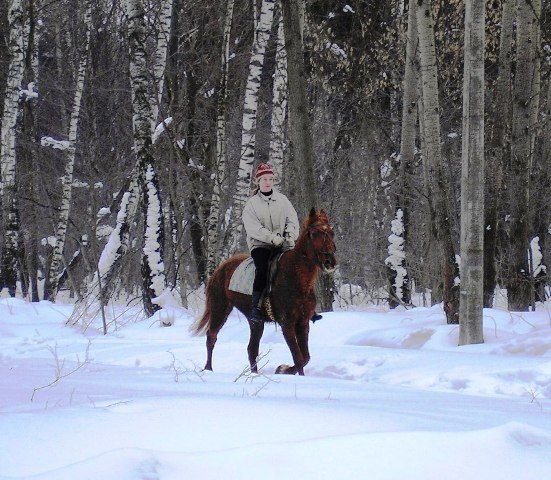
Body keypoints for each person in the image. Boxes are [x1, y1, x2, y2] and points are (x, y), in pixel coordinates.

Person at [242, 163, 299, 323]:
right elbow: (254, 228)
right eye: (264, 179)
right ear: (258, 182)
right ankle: (256, 306)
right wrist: (272, 238)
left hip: (283, 243)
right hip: (261, 245)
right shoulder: (251, 204)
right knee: (263, 268)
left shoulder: (283, 200)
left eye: (270, 179)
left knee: (298, 266)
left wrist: (290, 234)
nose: (268, 182)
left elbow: (292, 218)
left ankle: (303, 303)